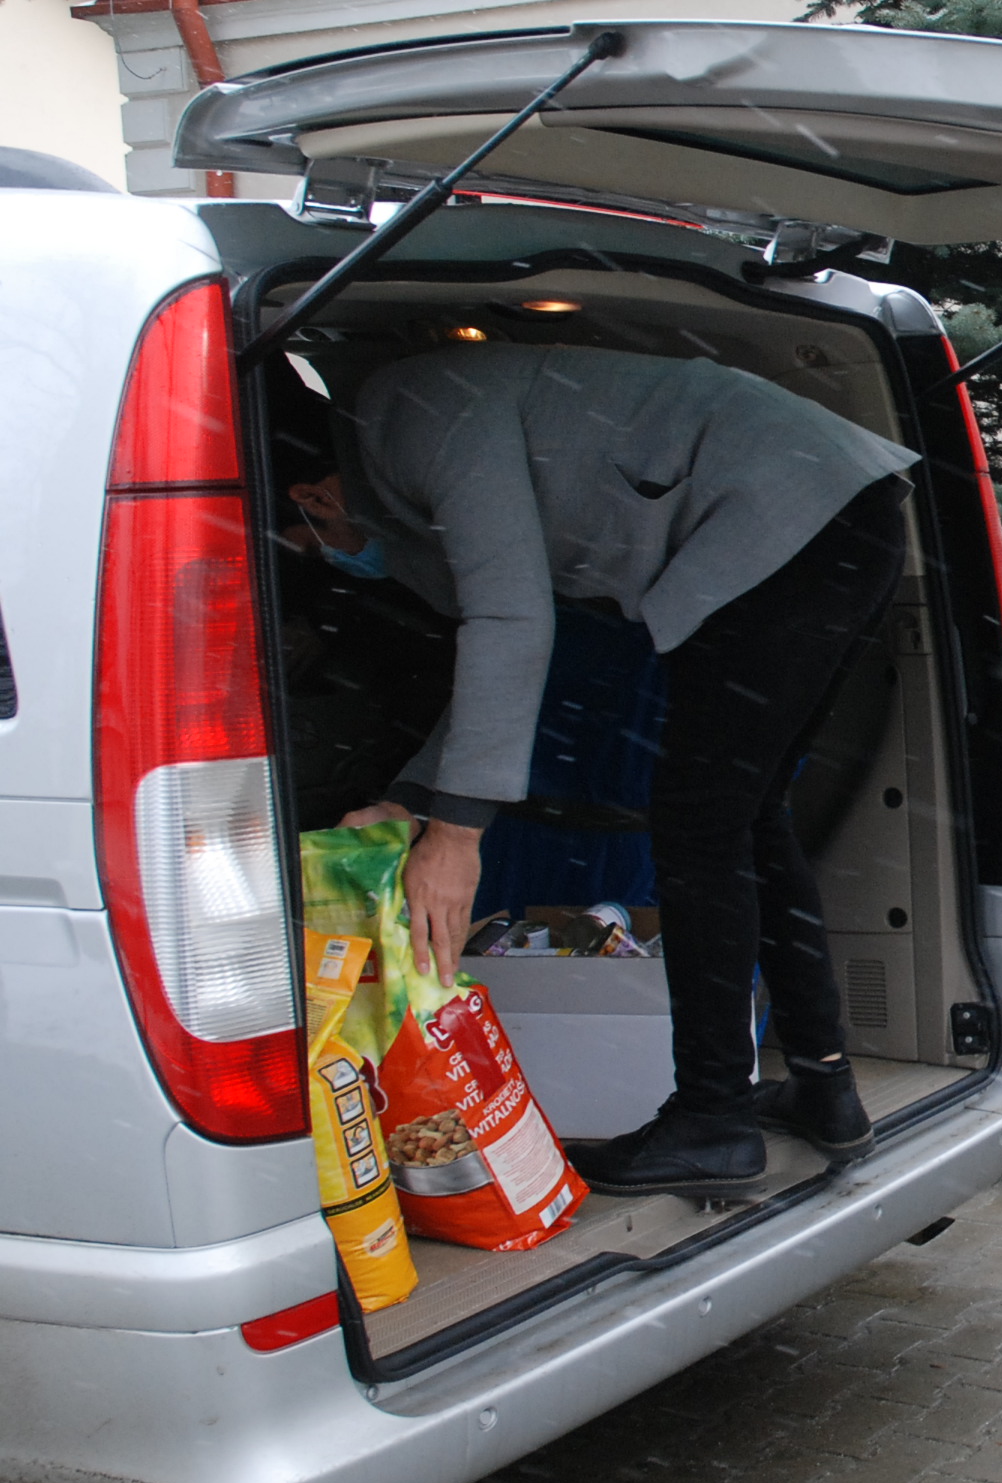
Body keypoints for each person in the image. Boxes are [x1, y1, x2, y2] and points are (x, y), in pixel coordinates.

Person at [291, 342, 921, 1196]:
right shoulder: (415, 425)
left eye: (314, 541)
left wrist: (457, 835)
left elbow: (510, 623)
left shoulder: (412, 412)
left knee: (700, 831)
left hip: (785, 523)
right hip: (842, 514)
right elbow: (510, 650)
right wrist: (413, 800)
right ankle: (823, 1085)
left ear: (315, 497)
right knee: (749, 817)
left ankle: (715, 1120)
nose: (333, 555)